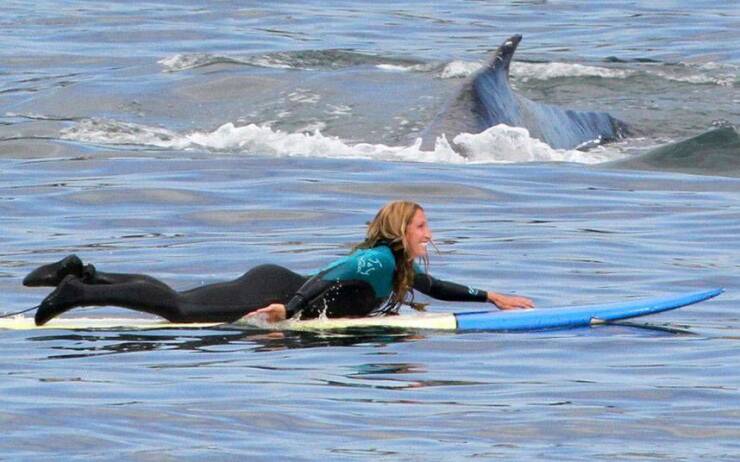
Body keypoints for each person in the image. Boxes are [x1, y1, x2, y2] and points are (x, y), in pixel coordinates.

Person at [25, 201, 534, 326]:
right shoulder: (378, 260)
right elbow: (327, 278)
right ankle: (78, 294)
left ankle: (84, 271)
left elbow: (435, 286)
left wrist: (491, 297)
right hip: (271, 291)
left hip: (273, 283)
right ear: (402, 231)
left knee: (182, 298)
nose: (430, 234)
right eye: (423, 227)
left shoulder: (393, 264)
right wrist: (285, 312)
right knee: (180, 311)